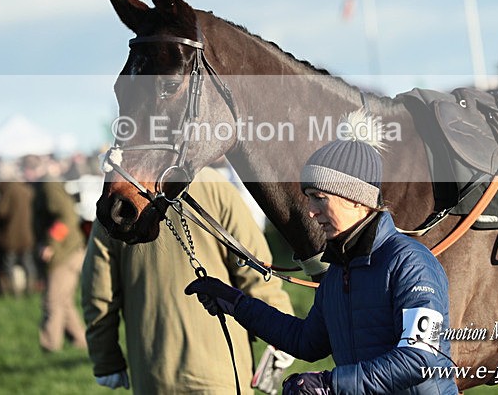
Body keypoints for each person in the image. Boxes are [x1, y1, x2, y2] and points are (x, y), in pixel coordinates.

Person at [186, 110, 458, 395]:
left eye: (320, 198)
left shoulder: (410, 263)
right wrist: (237, 304)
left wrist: (330, 384)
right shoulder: (338, 271)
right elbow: (306, 341)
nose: (312, 212)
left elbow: (421, 358)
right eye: (309, 199)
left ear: (357, 199)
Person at [82, 166, 296, 394]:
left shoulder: (119, 201)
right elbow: (255, 267)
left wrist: (105, 358)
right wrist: (282, 331)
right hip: (222, 369)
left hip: (154, 370)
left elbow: (98, 291)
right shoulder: (214, 185)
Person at [32, 156, 87, 352]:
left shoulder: (48, 186)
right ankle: (82, 342)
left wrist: (51, 244)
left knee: (52, 301)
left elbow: (67, 217)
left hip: (65, 253)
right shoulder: (47, 185)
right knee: (63, 301)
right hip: (69, 251)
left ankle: (49, 347)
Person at [0, 163, 37, 297]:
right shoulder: (26, 189)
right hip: (27, 234)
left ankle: (14, 292)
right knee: (27, 262)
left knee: (9, 264)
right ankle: (31, 289)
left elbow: (1, 211)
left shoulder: (9, 190)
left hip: (11, 235)